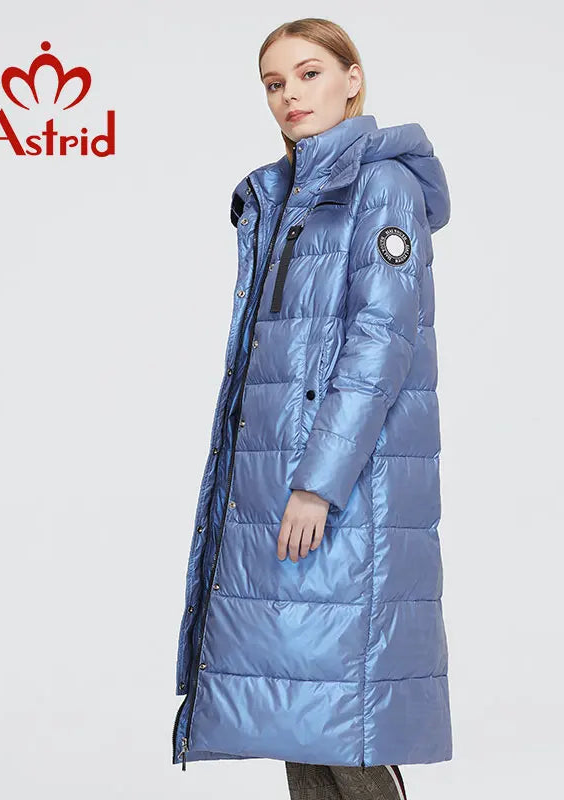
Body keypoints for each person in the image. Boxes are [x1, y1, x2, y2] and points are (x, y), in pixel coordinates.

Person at [171, 17, 452, 799]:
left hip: (344, 494)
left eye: (309, 73)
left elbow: (379, 347)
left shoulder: (383, 187)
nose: (290, 94)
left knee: (344, 720)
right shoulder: (284, 194)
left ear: (352, 79)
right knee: (301, 713)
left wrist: (317, 484)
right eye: (274, 82)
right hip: (279, 492)